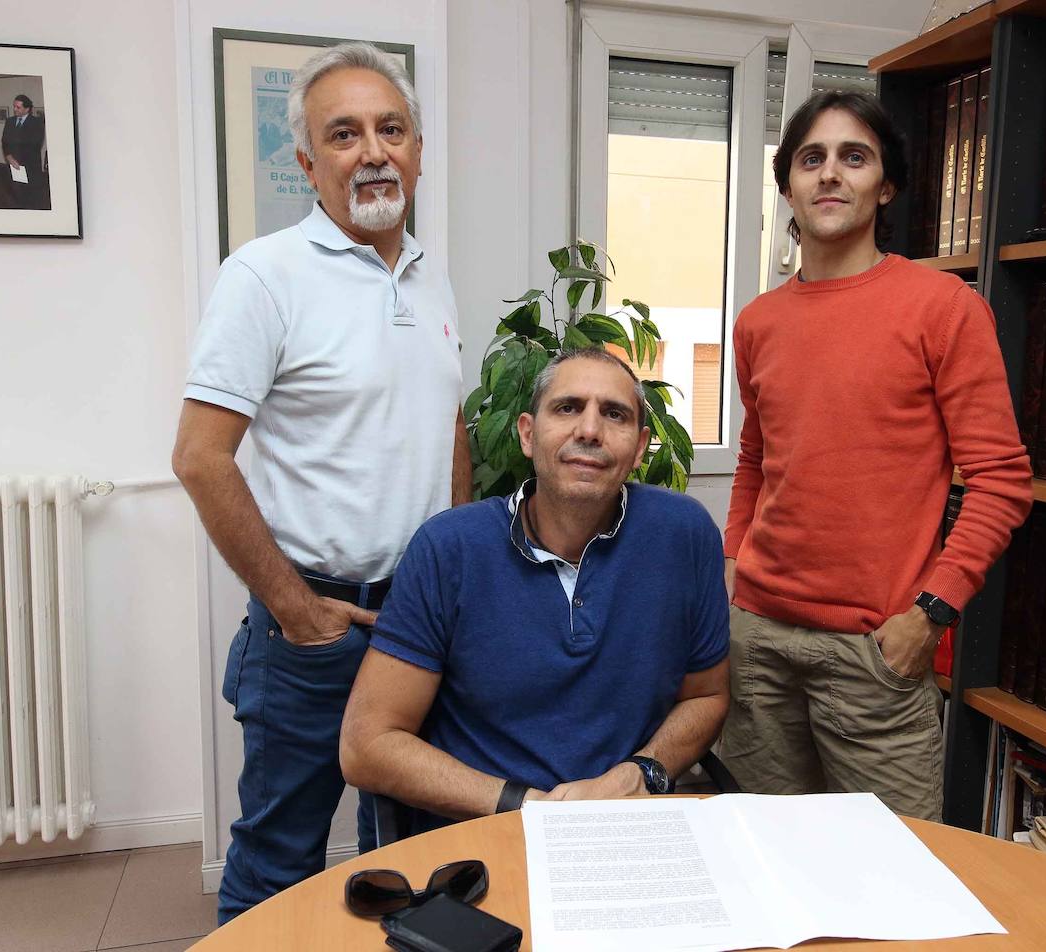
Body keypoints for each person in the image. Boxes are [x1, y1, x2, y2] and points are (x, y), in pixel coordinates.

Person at [172, 41, 469, 924]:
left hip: (419, 622)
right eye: (344, 134)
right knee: (278, 861)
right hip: (315, 631)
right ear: (308, 163)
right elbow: (200, 457)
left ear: (418, 150)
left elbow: (447, 427)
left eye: (391, 130)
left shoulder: (432, 276)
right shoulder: (264, 275)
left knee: (410, 853)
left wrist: (457, 574)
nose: (373, 151)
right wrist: (297, 610)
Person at [720, 91, 1032, 821]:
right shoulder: (758, 323)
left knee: (892, 870)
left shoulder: (943, 307)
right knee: (765, 854)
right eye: (811, 159)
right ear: (788, 186)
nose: (830, 173)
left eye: (853, 157)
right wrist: (732, 565)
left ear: (885, 185)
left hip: (875, 650)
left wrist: (931, 612)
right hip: (758, 642)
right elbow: (757, 460)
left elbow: (1002, 480)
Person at [340, 348, 730, 838]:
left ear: (639, 447)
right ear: (527, 434)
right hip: (482, 831)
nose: (590, 430)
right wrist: (529, 807)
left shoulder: (684, 535)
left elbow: (707, 696)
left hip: (626, 828)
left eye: (615, 414)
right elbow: (367, 744)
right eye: (568, 408)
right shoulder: (450, 548)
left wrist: (641, 772)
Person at [1, 95, 45, 209]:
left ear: (27, 109)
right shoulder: (10, 121)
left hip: (29, 166)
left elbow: (35, 145)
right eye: (14, 106)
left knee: (29, 196)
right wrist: (9, 157)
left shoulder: (36, 123)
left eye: (18, 107)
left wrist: (18, 162)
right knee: (14, 193)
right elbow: (4, 142)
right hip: (12, 164)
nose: (15, 109)